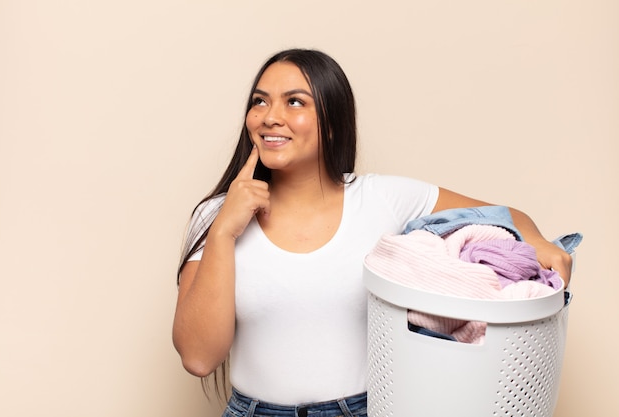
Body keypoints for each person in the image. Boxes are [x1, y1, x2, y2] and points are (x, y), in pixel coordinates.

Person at [172, 48, 572, 417]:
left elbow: (505, 214)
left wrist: (535, 241)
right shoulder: (216, 215)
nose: (269, 116)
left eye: (294, 101)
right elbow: (199, 358)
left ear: (332, 122)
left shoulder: (383, 198)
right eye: (260, 101)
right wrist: (224, 230)